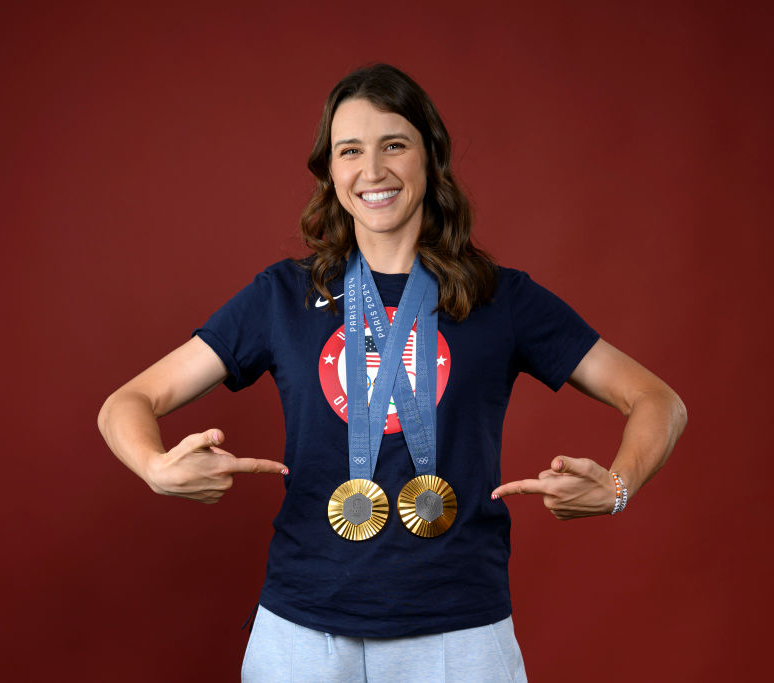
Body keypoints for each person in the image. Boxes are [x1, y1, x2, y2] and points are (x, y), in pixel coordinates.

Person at [98, 63, 686, 682]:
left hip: (460, 636)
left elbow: (657, 400)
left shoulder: (501, 298)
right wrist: (155, 467)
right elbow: (129, 401)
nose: (372, 171)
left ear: (430, 159)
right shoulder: (284, 296)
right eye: (351, 150)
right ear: (331, 170)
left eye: (394, 146)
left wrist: (618, 487)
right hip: (303, 634)